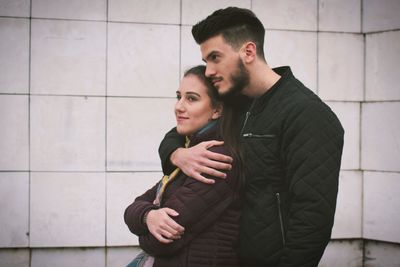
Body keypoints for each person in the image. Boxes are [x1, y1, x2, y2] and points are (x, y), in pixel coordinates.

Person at [158, 7, 345, 267]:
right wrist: (178, 154)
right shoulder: (232, 102)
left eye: (215, 57)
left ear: (248, 51)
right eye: (206, 61)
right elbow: (176, 133)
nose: (209, 71)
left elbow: (312, 217)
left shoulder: (307, 114)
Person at [124, 65, 245, 267]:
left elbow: (158, 242)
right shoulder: (190, 154)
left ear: (217, 110)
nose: (179, 106)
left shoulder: (217, 160)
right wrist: (149, 216)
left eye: (191, 98)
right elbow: (133, 208)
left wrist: (145, 219)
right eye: (179, 96)